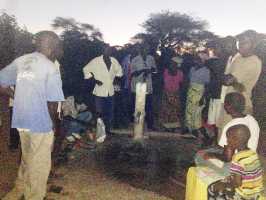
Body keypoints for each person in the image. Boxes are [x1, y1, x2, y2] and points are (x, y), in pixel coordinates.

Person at [0, 31, 64, 200]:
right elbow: (52, 102)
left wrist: (17, 96)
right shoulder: (50, 67)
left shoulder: (21, 61)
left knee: (27, 157)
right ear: (52, 46)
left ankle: (19, 188)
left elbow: (1, 83)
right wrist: (54, 125)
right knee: (40, 164)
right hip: (40, 122)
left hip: (21, 118)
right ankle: (33, 196)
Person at [218, 31, 262, 139]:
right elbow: (227, 78)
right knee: (223, 134)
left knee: (232, 140)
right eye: (239, 42)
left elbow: (227, 80)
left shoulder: (253, 61)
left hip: (239, 106)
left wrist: (220, 76)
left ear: (253, 44)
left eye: (244, 42)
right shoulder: (238, 58)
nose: (240, 45)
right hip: (229, 102)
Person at [207, 124, 264, 200]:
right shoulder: (253, 153)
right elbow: (249, 172)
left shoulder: (237, 158)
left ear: (235, 139)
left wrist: (224, 185)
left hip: (244, 195)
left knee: (212, 188)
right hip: (256, 192)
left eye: (228, 138)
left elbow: (237, 183)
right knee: (225, 180)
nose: (227, 141)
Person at [200, 92, 260, 162]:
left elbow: (227, 158)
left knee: (200, 156)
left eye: (225, 103)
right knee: (213, 150)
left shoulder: (231, 126)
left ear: (228, 106)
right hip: (251, 160)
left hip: (236, 164)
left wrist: (212, 155)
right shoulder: (252, 120)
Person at [83, 45, 123, 135]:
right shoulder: (96, 61)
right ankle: (99, 132)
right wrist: (94, 80)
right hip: (99, 91)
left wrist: (117, 79)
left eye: (109, 50)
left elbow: (120, 71)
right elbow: (85, 69)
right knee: (99, 113)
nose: (108, 52)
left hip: (110, 91)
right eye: (106, 50)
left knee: (109, 112)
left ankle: (108, 130)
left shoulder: (113, 60)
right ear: (102, 50)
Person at [130, 45, 157, 130]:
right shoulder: (135, 60)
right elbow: (132, 74)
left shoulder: (151, 58)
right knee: (138, 107)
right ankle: (138, 124)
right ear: (140, 50)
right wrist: (142, 70)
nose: (146, 51)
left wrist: (150, 70)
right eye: (144, 49)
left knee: (149, 107)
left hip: (148, 85)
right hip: (138, 86)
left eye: (147, 49)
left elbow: (155, 70)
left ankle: (150, 125)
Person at [185, 55, 210, 133]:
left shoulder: (206, 71)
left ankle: (197, 129)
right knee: (188, 110)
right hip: (191, 92)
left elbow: (207, 85)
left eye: (198, 60)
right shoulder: (192, 69)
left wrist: (203, 97)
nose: (196, 61)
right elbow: (189, 81)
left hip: (200, 92)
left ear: (202, 61)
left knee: (197, 112)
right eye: (195, 60)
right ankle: (189, 128)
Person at [159, 56, 184, 131]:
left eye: (173, 63)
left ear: (177, 64)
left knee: (174, 111)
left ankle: (174, 127)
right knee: (166, 110)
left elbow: (181, 84)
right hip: (166, 92)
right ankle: (166, 127)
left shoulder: (180, 73)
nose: (171, 64)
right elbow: (162, 82)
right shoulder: (166, 71)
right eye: (171, 63)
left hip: (175, 93)